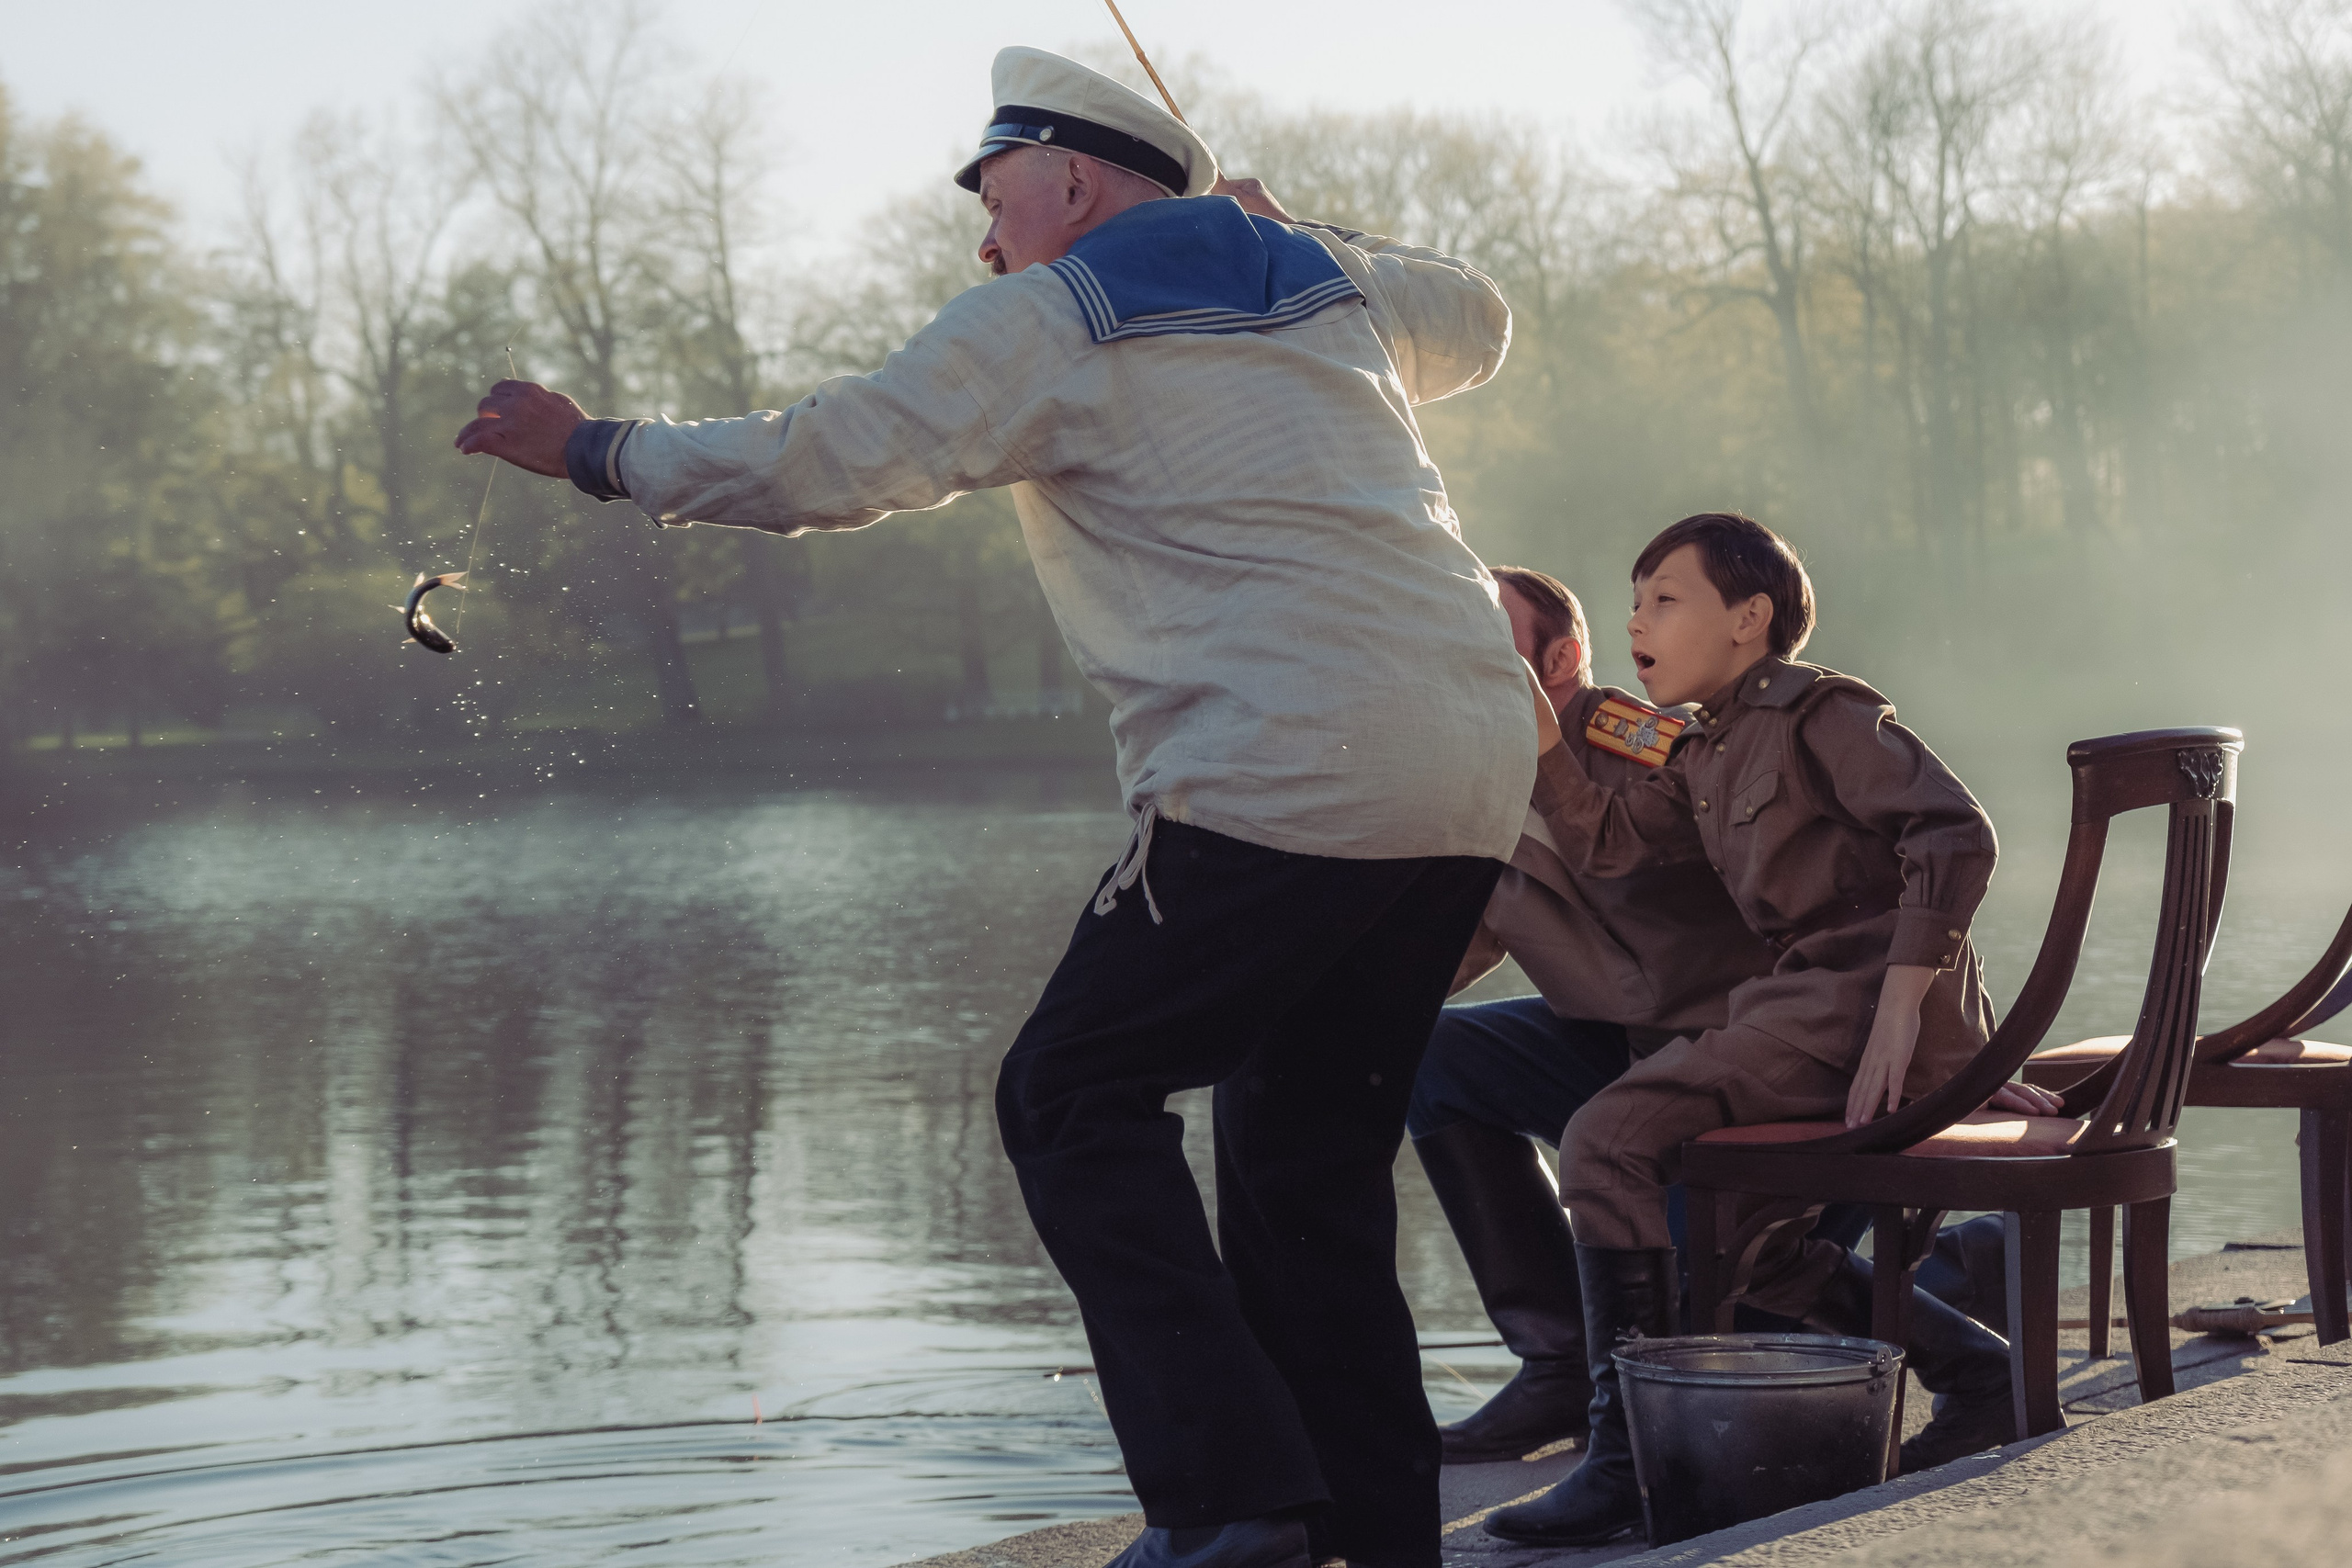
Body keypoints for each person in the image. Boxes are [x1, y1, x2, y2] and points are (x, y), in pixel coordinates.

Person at [454, 46, 1532, 1568]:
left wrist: (593, 451)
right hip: (1474, 767)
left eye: (993, 189)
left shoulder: (1055, 311)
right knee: (1308, 1164)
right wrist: (1314, 229)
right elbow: (1480, 322)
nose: (981, 234)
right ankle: (1366, 1539)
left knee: (1068, 1094)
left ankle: (1229, 1504)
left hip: (1283, 768)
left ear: (1076, 179)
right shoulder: (1323, 282)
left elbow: (828, 456)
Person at [1481, 513, 2028, 1548]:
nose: (1635, 620)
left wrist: (1904, 1013)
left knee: (1605, 1137)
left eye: (1663, 599)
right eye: (1632, 600)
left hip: (1862, 1004)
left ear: (1748, 619)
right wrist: (1549, 741)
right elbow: (1603, 844)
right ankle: (1975, 1369)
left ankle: (1621, 1460)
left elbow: (1954, 834)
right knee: (1760, 1258)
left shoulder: (1819, 712)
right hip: (1806, 1002)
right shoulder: (1702, 748)